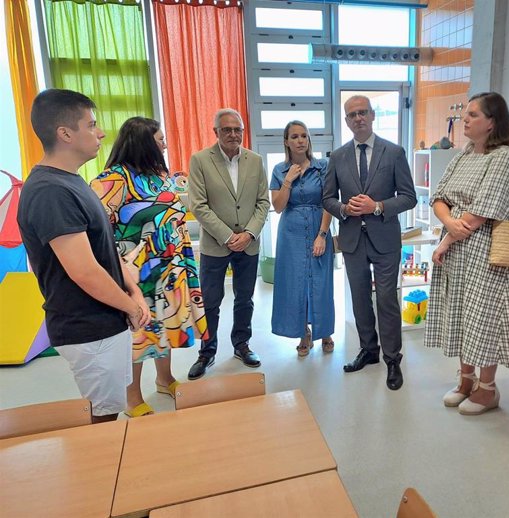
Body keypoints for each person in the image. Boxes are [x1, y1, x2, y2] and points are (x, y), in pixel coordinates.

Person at [17, 89, 150, 423]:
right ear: (65, 134)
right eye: (91, 125)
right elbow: (84, 271)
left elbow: (103, 248)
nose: (101, 133)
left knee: (112, 409)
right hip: (87, 327)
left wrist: (133, 291)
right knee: (102, 419)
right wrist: (132, 305)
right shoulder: (51, 192)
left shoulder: (72, 182)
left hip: (107, 321)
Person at [90, 117, 208, 417]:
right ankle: (132, 398)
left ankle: (164, 378)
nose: (165, 144)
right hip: (136, 274)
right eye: (160, 138)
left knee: (165, 326)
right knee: (139, 333)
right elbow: (98, 230)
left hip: (170, 265)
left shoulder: (159, 175)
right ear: (144, 142)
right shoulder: (113, 179)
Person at [424, 92, 509, 415]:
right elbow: (438, 195)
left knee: (484, 316)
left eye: (473, 115)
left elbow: (483, 210)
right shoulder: (464, 154)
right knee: (461, 312)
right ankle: (465, 379)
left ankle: (487, 388)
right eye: (465, 114)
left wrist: (446, 239)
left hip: (486, 250)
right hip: (458, 244)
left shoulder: (504, 157)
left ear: (493, 122)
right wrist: (448, 221)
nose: (465, 119)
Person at [323, 95, 417, 390]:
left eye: (363, 112)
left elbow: (409, 197)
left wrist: (376, 206)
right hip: (352, 240)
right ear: (347, 121)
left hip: (385, 238)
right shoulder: (337, 157)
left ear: (373, 115)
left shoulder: (394, 152)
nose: (358, 118)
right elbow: (326, 198)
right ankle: (369, 350)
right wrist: (344, 210)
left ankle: (392, 359)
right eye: (352, 115)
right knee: (360, 299)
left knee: (387, 299)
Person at [186, 108, 270, 380]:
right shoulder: (200, 160)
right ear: (216, 133)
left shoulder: (255, 161)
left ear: (243, 132)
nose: (233, 134)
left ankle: (241, 344)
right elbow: (198, 205)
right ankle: (207, 351)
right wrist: (227, 236)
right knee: (210, 300)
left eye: (238, 130)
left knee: (245, 298)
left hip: (249, 243)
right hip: (215, 244)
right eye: (227, 130)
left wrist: (248, 234)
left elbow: (263, 202)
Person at [270, 121, 335, 356]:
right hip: (291, 234)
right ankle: (303, 333)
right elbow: (278, 207)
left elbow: (328, 201)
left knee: (321, 282)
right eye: (294, 136)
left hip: (320, 229)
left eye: (304, 136)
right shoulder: (279, 169)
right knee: (295, 283)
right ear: (286, 141)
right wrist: (288, 179)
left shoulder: (323, 167)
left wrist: (322, 235)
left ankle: (324, 331)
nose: (300, 140)